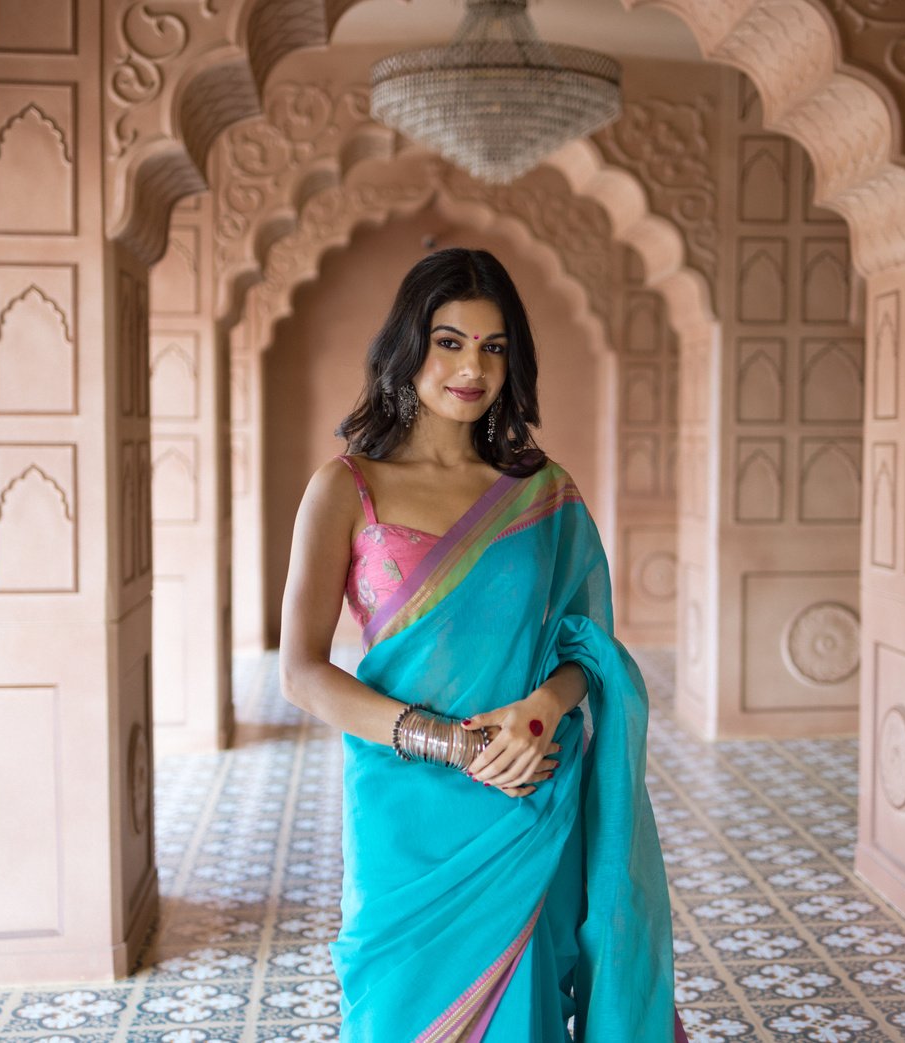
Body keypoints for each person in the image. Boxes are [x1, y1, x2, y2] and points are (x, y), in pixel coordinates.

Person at [278, 248, 688, 1042]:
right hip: (405, 807)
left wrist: (543, 707)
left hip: (520, 788)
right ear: (407, 348)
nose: (472, 367)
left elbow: (586, 643)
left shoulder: (542, 492)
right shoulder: (347, 486)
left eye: (493, 347)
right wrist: (448, 744)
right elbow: (299, 671)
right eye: (449, 341)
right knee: (399, 1011)